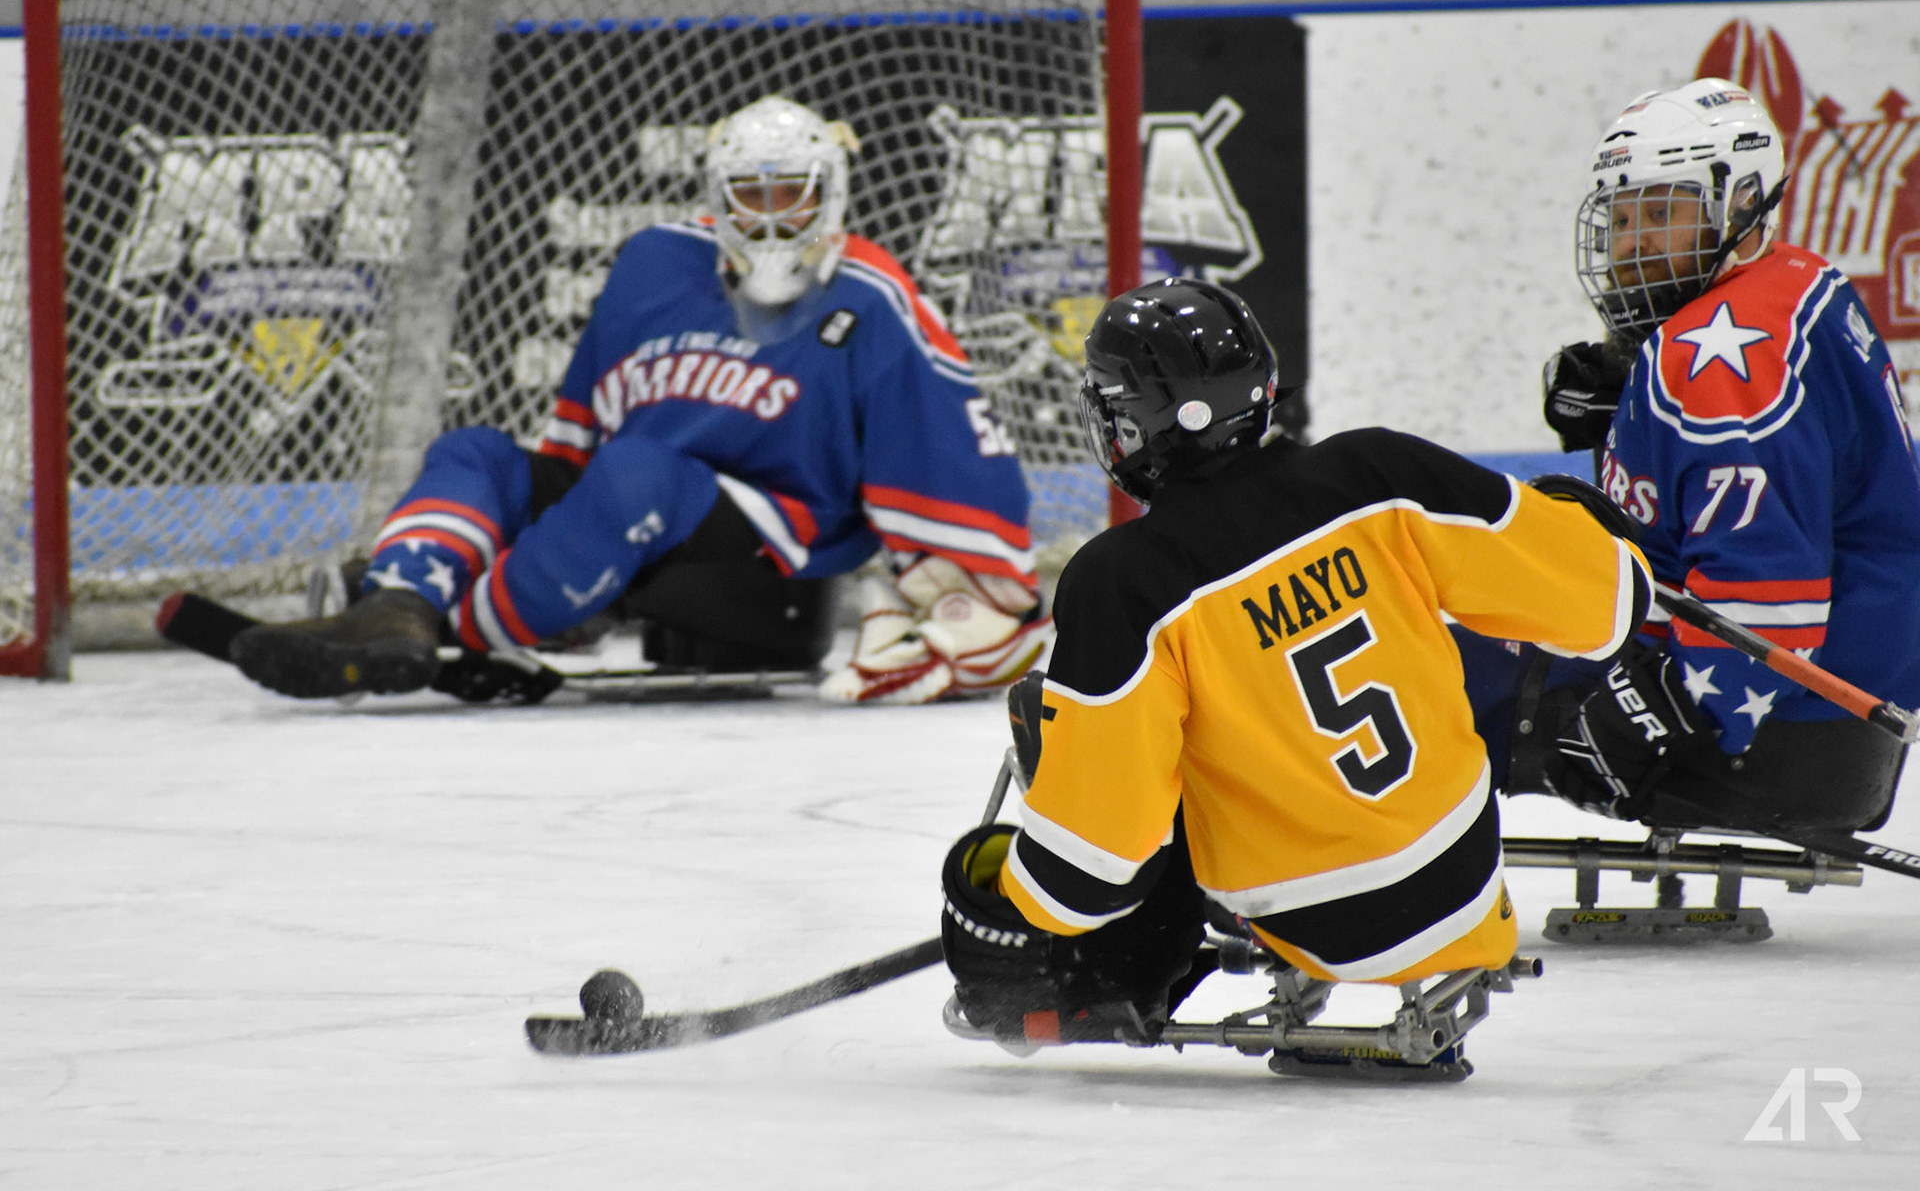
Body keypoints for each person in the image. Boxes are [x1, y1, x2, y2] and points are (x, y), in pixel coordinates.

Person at [939, 277, 1656, 1044]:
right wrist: (1570, 527)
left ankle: (1111, 981)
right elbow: (1612, 605)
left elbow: (1090, 874)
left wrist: (1005, 902)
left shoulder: (1123, 581)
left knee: (1071, 728)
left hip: (1301, 915)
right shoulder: (1382, 476)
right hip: (1463, 882)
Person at [230, 95, 1048, 704]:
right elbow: (572, 445)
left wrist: (972, 578)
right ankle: (399, 604)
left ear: (830, 192)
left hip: (773, 541)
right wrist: (532, 534)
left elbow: (942, 438)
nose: (770, 216)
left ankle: (442, 632)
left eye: (790, 192)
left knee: (635, 474)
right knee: (476, 450)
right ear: (717, 195)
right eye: (750, 195)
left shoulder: (872, 296)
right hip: (640, 506)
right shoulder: (655, 260)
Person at [1485, 76, 1920, 834]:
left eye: (1662, 212)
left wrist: (1669, 712)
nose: (1632, 243)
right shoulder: (1793, 280)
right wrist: (1629, 401)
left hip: (1767, 740)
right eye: (1622, 218)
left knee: (1431, 653)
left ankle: (1350, 892)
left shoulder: (1712, 363)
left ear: (1741, 206)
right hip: (1848, 711)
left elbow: (1766, 588)